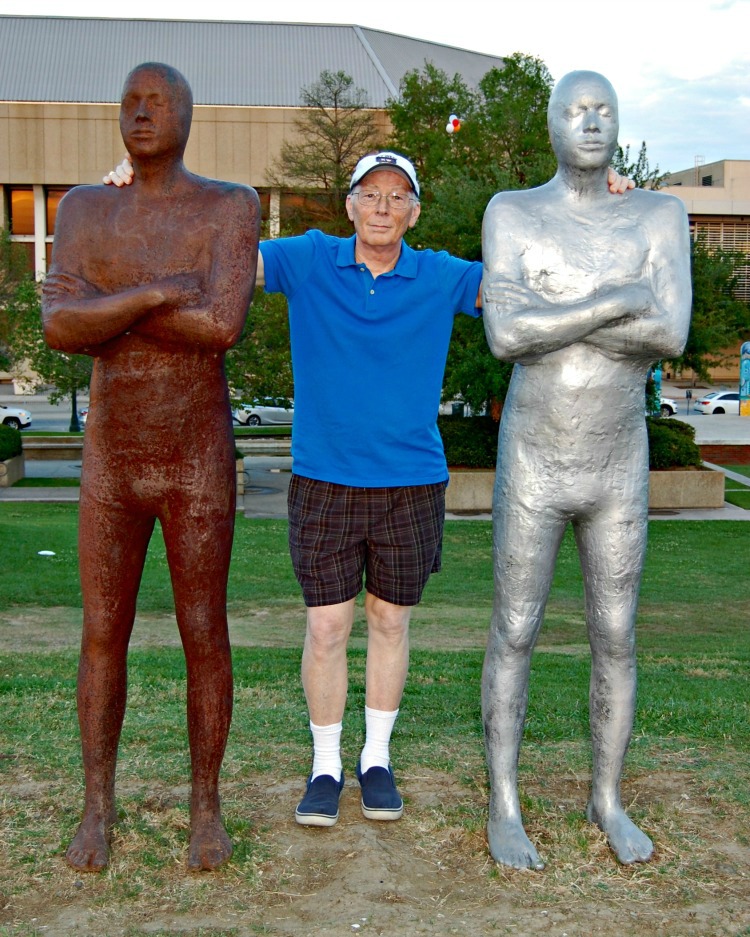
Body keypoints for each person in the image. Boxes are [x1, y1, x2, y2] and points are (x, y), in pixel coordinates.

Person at [104, 148, 632, 829]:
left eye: (397, 196)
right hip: (324, 479)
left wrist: (602, 202)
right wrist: (143, 191)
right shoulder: (308, 259)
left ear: (413, 211)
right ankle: (326, 765)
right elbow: (217, 253)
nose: (383, 207)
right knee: (327, 626)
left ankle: (375, 759)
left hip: (411, 481)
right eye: (371, 195)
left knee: (389, 621)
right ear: (349, 204)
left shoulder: (442, 274)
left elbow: (542, 277)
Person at [42, 62, 260, 872]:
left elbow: (220, 324)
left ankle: (207, 807)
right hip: (112, 461)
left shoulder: (228, 207)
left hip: (194, 456)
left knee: (205, 631)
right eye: (128, 101)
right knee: (102, 633)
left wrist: (116, 310)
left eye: (156, 101)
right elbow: (61, 326)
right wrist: (154, 294)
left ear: (187, 116)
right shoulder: (85, 209)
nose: (139, 113)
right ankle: (96, 805)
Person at [480, 71, 691, 869]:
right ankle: (504, 802)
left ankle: (607, 796)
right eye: (575, 110)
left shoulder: (658, 214)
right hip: (534, 457)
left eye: (604, 110)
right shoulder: (514, 212)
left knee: (616, 633)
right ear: (552, 125)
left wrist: (556, 320)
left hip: (615, 461)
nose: (591, 122)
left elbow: (670, 332)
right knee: (516, 627)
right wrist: (616, 298)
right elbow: (505, 335)